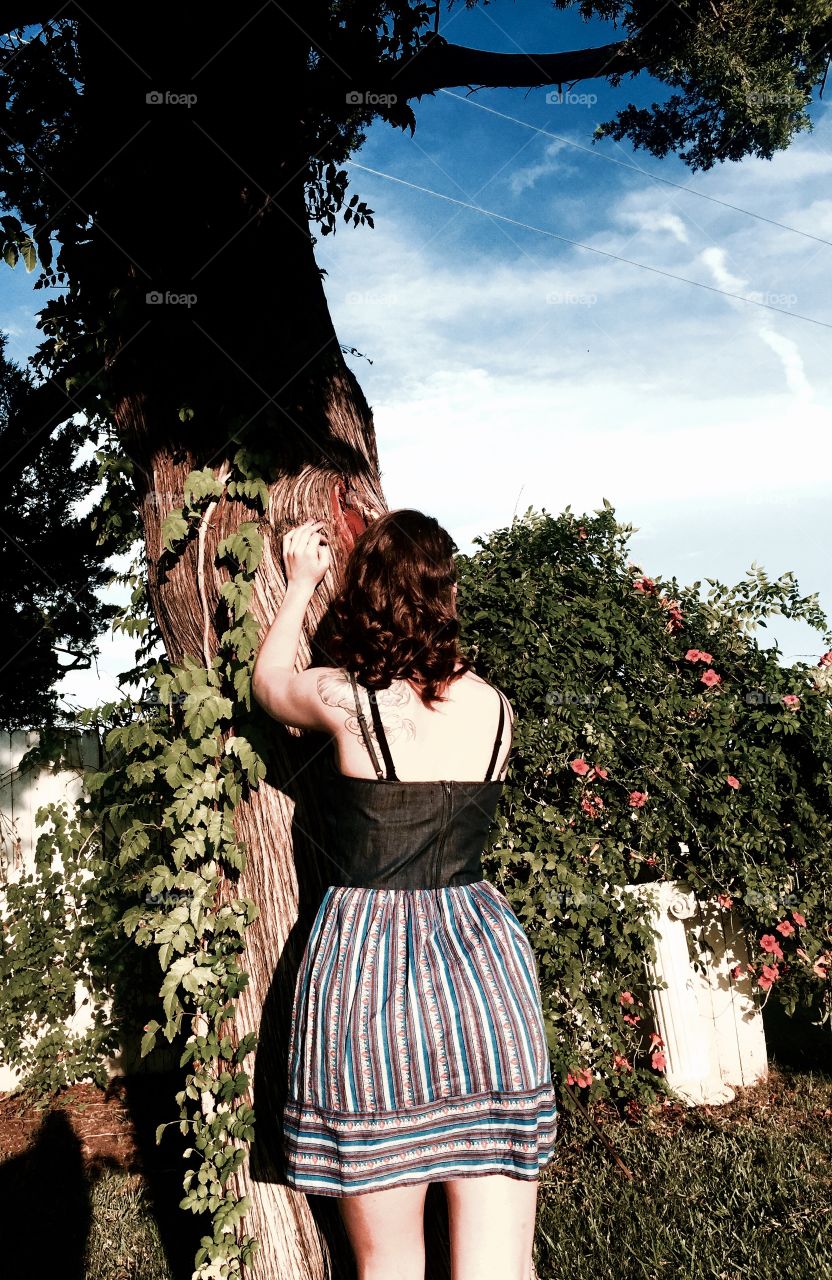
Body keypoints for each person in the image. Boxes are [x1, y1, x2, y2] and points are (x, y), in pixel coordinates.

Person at [251, 509, 557, 1280]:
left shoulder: (350, 700)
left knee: (389, 1262)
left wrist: (299, 583)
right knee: (497, 1266)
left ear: (368, 596)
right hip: (486, 978)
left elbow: (269, 683)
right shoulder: (495, 707)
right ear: (448, 595)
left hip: (371, 981)